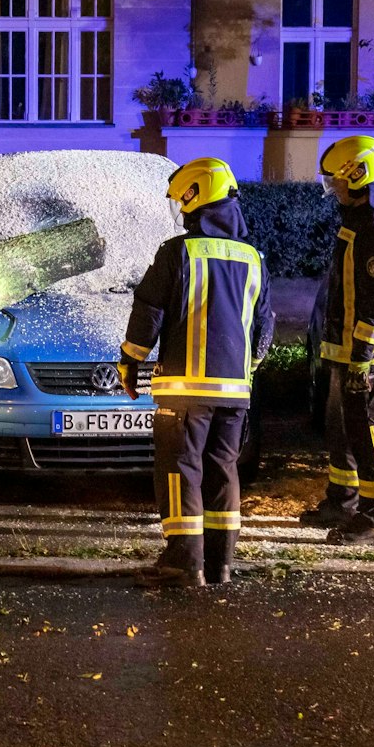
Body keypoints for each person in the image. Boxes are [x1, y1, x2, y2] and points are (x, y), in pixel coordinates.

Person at [119, 158, 273, 587]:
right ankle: (220, 564)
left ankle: (183, 564)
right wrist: (246, 372)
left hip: (185, 391)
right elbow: (264, 328)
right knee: (223, 469)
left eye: (181, 200)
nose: (179, 209)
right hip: (235, 394)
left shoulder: (177, 252)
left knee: (180, 470)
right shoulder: (253, 258)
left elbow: (148, 313)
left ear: (196, 196)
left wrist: (129, 361)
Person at [300, 135, 374, 546]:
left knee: (370, 431)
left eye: (337, 181)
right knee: (344, 430)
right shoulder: (360, 223)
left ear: (359, 178)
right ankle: (343, 501)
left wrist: (362, 355)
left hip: (368, 356)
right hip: (348, 351)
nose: (333, 189)